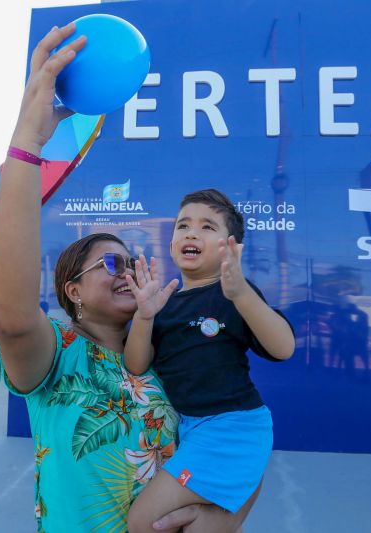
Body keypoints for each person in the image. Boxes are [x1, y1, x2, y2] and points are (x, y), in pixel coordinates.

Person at [0, 23, 259, 532]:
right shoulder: (57, 354)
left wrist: (226, 515)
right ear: (72, 291)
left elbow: (235, 447)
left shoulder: (168, 354)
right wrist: (27, 144)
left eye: (131, 262)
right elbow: (13, 319)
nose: (128, 272)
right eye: (111, 264)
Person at [122, 189, 296, 532]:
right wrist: (143, 317)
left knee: (144, 522)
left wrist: (241, 293)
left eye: (207, 227)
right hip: (192, 430)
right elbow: (137, 366)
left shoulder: (234, 293)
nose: (191, 233)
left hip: (233, 428)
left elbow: (283, 347)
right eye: (183, 225)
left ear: (229, 246)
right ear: (172, 243)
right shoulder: (162, 303)